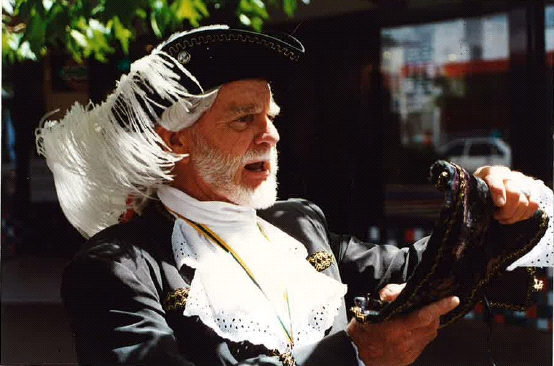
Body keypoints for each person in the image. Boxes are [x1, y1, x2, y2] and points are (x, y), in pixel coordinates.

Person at [36, 25, 552, 366]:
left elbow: (420, 270)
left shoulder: (297, 225)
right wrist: (353, 356)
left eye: (271, 117)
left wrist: (493, 205)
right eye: (245, 119)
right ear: (175, 138)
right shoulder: (116, 264)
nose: (271, 135)